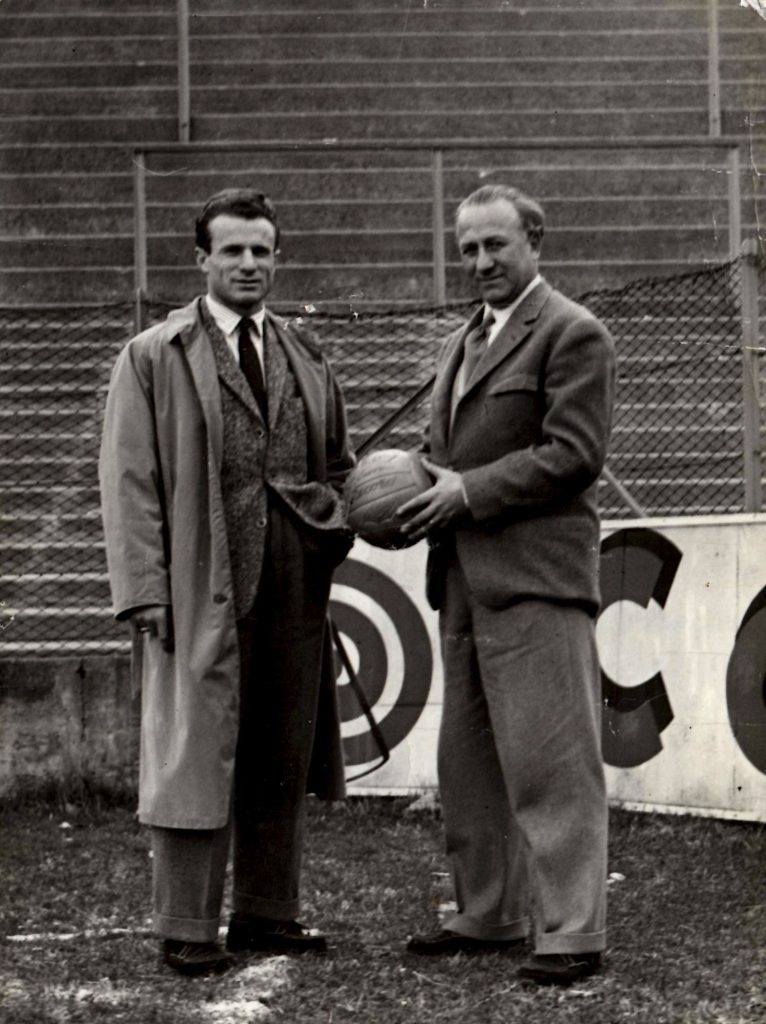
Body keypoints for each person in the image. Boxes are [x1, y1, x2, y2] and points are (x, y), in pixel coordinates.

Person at [99, 188, 355, 976]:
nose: (250, 264)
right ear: (200, 258)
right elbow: (129, 479)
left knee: (281, 745)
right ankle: (185, 925)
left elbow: (339, 466)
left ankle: (266, 915)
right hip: (198, 579)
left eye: (262, 250)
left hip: (292, 578)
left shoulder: (305, 354)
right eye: (233, 250)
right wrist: (144, 588)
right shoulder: (154, 353)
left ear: (278, 257)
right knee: (194, 755)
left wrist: (343, 515)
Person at [398, 184, 615, 986]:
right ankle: (486, 913)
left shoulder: (572, 331)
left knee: (552, 765)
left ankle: (571, 932)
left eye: (496, 245)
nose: (482, 262)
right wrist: (406, 488)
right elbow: (448, 452)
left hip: (536, 578)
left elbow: (573, 454)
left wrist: (466, 491)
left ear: (535, 241)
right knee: (471, 764)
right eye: (468, 250)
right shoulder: (465, 340)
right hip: (462, 576)